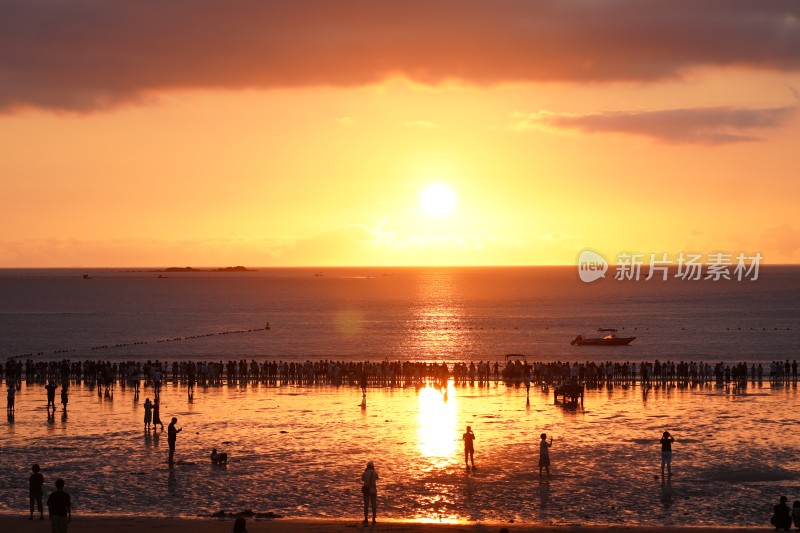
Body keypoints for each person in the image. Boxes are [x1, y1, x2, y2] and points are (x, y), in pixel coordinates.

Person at [361, 460, 378, 525]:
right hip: (373, 490)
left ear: (367, 466)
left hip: (366, 491)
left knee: (366, 505)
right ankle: (373, 519)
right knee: (374, 505)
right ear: (373, 467)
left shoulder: (364, 473)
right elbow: (377, 478)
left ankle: (366, 519)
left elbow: (362, 479)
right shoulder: (375, 473)